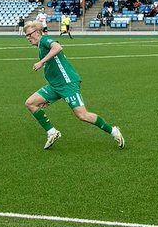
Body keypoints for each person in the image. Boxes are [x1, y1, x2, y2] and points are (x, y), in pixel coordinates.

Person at [23, 20, 124, 150]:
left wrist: (41, 62)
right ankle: (52, 132)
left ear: (37, 32)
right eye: (26, 35)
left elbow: (58, 47)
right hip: (55, 85)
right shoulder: (41, 46)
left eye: (29, 34)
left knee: (82, 115)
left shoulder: (45, 40)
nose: (28, 38)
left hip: (67, 83)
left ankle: (113, 131)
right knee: (31, 103)